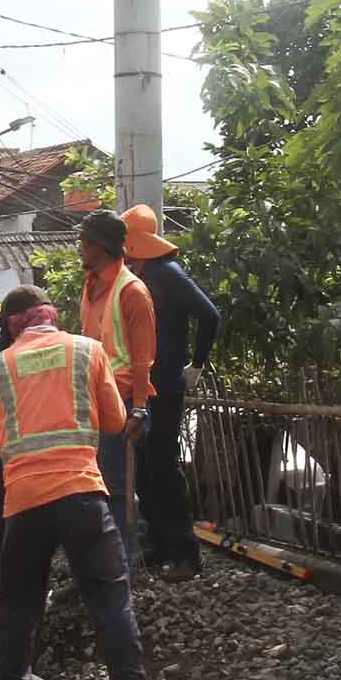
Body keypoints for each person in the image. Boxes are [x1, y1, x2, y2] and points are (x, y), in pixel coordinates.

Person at [0, 284, 161, 680]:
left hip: (23, 500)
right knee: (110, 599)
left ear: (13, 324)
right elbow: (116, 423)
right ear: (50, 316)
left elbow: (0, 443)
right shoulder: (87, 351)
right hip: (81, 493)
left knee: (19, 605)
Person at [121, 204, 219, 582]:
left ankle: (184, 552)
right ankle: (160, 542)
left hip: (164, 384)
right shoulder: (144, 274)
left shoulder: (166, 274)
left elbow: (210, 314)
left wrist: (197, 363)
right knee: (146, 467)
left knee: (161, 467)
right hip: (147, 386)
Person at [76, 209, 154, 575]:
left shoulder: (132, 291)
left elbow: (142, 358)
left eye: (84, 241)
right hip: (94, 399)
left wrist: (139, 408)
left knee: (118, 488)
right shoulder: (91, 287)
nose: (80, 247)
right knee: (100, 485)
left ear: (100, 246)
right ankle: (108, 559)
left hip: (121, 401)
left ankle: (125, 563)